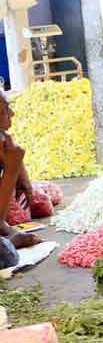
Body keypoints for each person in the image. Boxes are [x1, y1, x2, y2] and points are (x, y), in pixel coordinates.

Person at [0, 92, 42, 250]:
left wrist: (19, 172)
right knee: (5, 254)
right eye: (4, 110)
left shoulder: (2, 139)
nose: (12, 114)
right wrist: (12, 171)